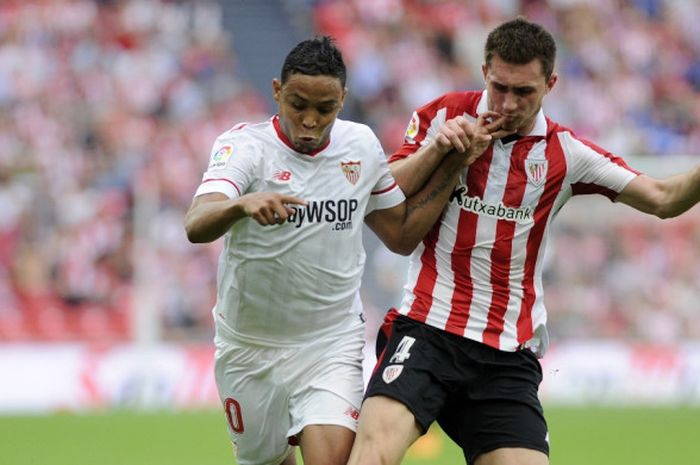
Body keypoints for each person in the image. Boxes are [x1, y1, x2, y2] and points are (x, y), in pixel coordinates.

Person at [347, 17, 700, 465]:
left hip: (506, 355)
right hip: (428, 330)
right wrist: (436, 150)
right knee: (370, 456)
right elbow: (377, 190)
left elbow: (664, 199)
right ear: (483, 72)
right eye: (500, 88)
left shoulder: (566, 154)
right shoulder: (443, 116)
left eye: (524, 92)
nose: (509, 103)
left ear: (550, 84)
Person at [183, 36, 504, 465]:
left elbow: (401, 234)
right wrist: (240, 204)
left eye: (325, 109)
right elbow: (196, 223)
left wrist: (449, 162)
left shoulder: (360, 145)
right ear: (277, 91)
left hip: (329, 343)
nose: (311, 120)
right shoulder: (245, 148)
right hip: (248, 347)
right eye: (298, 104)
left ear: (343, 99)